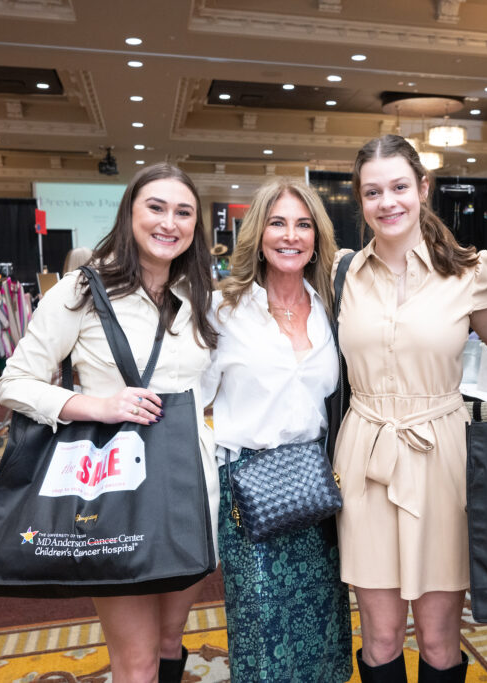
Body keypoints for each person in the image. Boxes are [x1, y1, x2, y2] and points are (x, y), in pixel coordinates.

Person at [0, 163, 219, 683]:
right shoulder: (81, 290)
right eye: (155, 208)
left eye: (183, 212)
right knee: (137, 660)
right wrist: (98, 405)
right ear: (129, 214)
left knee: (169, 640)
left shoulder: (199, 295)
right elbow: (14, 383)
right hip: (117, 489)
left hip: (192, 487)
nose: (169, 223)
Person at [334, 134, 487, 682]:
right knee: (381, 637)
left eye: (399, 187)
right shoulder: (340, 273)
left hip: (442, 458)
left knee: (438, 640)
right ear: (360, 199)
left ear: (423, 188)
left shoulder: (470, 271)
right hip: (365, 457)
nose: (387, 202)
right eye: (372, 192)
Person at [202, 177, 352, 681]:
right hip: (249, 490)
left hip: (315, 487)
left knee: (324, 629)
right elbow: (192, 398)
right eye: (278, 223)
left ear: (317, 237)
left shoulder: (331, 309)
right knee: (262, 634)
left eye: (303, 224)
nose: (291, 235)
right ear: (258, 234)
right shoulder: (223, 309)